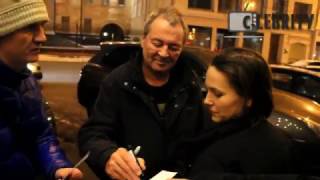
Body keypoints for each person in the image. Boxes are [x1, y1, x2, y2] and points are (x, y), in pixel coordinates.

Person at [78, 7, 207, 180]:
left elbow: (202, 141)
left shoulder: (191, 86)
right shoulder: (117, 83)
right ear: (143, 40)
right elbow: (92, 135)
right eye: (157, 43)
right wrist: (107, 155)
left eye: (173, 47)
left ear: (182, 47)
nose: (163, 53)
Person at [187, 48, 319, 179]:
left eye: (218, 94)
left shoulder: (229, 156)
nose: (206, 101)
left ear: (249, 98)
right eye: (207, 90)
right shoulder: (276, 138)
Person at [0, 0, 83, 179]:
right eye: (30, 28)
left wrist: (58, 168)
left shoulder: (26, 80)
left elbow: (41, 136)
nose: (42, 37)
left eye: (42, 27)